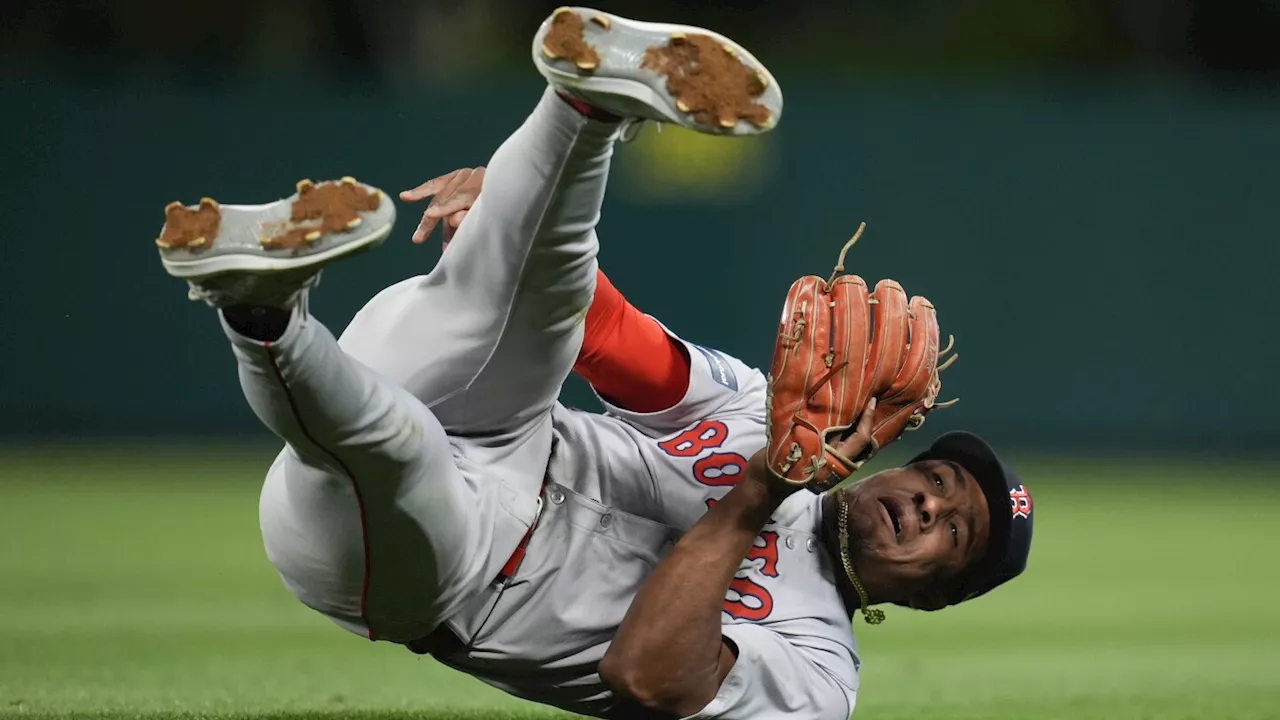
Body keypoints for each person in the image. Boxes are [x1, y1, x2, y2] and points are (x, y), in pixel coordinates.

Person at [153, 7, 1035, 719]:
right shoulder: (777, 411)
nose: (924, 504)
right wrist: (511, 218)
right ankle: (584, 109)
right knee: (512, 297)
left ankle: (261, 308)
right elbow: (603, 336)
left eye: (951, 532)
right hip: (498, 422)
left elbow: (646, 677)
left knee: (398, 446)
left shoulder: (816, 676)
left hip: (436, 575)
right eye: (938, 483)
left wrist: (762, 488)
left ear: (927, 599)